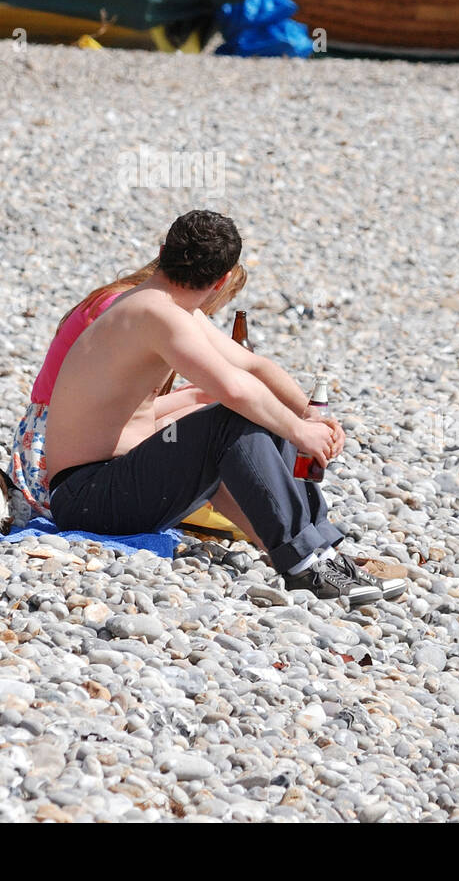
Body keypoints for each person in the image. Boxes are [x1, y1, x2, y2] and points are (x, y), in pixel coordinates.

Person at [43, 210, 405, 605]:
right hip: (87, 497)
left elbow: (255, 366)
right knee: (233, 417)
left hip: (110, 486)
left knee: (258, 413)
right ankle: (305, 562)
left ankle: (319, 549)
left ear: (163, 251)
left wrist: (308, 415)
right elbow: (234, 387)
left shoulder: (163, 307)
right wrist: (298, 431)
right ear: (222, 281)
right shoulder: (155, 313)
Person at [11, 258, 247, 523]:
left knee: (199, 409)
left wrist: (194, 395)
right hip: (59, 455)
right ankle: (245, 513)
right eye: (212, 307)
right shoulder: (133, 313)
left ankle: (240, 510)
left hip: (46, 435)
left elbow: (124, 408)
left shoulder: (119, 298)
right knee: (208, 423)